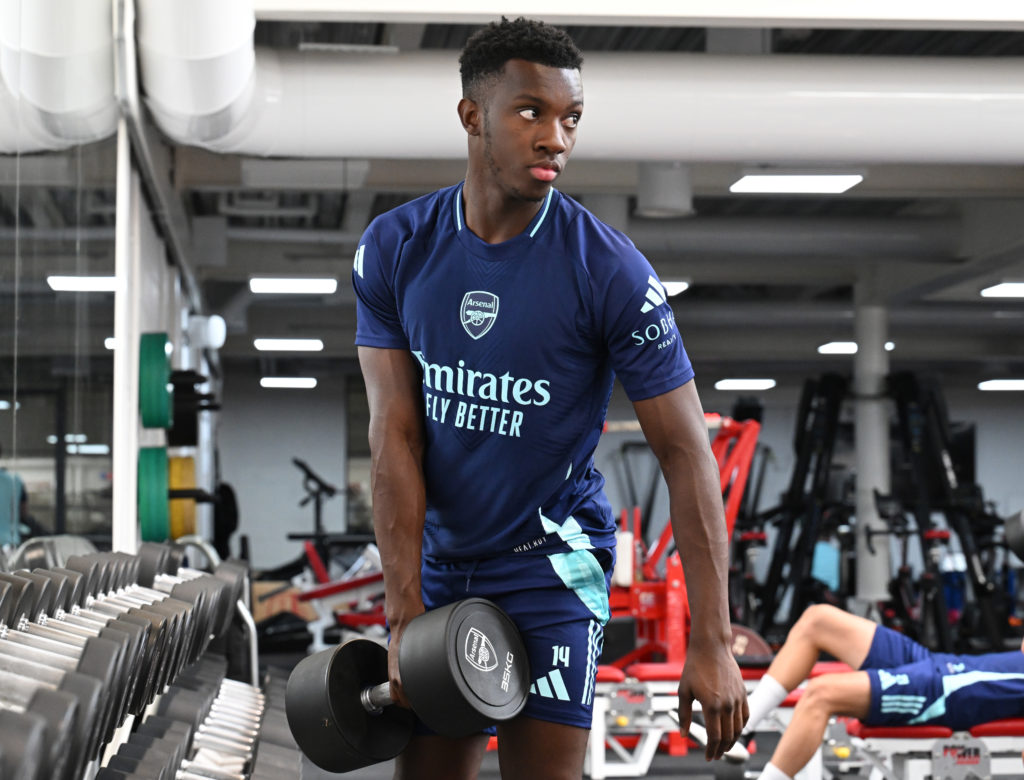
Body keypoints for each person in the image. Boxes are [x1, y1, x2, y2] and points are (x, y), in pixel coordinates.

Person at [352, 17, 746, 779]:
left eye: (570, 119)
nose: (555, 138)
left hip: (550, 567)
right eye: (530, 111)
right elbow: (392, 439)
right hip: (441, 563)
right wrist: (403, 616)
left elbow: (686, 449)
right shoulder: (396, 248)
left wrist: (713, 640)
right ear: (473, 116)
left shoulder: (611, 272)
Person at [742, 604, 1024, 780]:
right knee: (818, 620)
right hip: (942, 663)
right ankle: (742, 729)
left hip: (944, 693)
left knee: (821, 693)